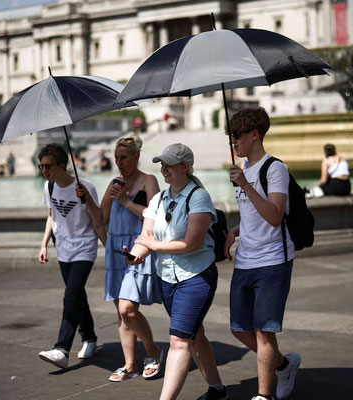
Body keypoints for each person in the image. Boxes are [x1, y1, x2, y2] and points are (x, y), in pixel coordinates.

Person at [125, 143, 227, 400]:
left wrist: (151, 245)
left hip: (195, 277)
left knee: (179, 341)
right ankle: (217, 390)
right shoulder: (158, 199)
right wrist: (135, 255)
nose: (164, 169)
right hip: (167, 278)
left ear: (185, 167)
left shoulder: (199, 197)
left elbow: (191, 243)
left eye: (169, 164)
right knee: (194, 335)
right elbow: (145, 236)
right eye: (161, 164)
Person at [225, 108, 301, 400]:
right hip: (245, 259)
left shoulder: (275, 168)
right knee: (239, 329)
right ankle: (284, 364)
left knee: (262, 332)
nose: (234, 141)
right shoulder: (244, 169)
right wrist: (236, 231)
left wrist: (244, 184)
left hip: (272, 261)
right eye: (232, 136)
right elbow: (254, 216)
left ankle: (263, 396)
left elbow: (274, 215)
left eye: (237, 135)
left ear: (254, 134)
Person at [36, 144, 107, 370]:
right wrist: (44, 244)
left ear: (61, 165)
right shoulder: (49, 187)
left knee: (71, 295)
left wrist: (108, 246)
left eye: (48, 166)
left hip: (84, 247)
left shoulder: (85, 187)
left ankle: (62, 349)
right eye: (41, 166)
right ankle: (90, 338)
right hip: (63, 248)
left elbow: (98, 219)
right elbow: (51, 216)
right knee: (77, 295)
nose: (44, 171)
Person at [100, 136, 163, 382]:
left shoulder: (149, 181)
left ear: (136, 157)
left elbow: (156, 216)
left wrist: (125, 201)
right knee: (122, 312)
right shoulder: (114, 183)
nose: (118, 162)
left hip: (137, 249)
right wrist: (85, 199)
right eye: (116, 158)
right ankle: (130, 365)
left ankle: (153, 351)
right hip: (116, 250)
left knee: (128, 309)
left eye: (123, 157)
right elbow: (100, 217)